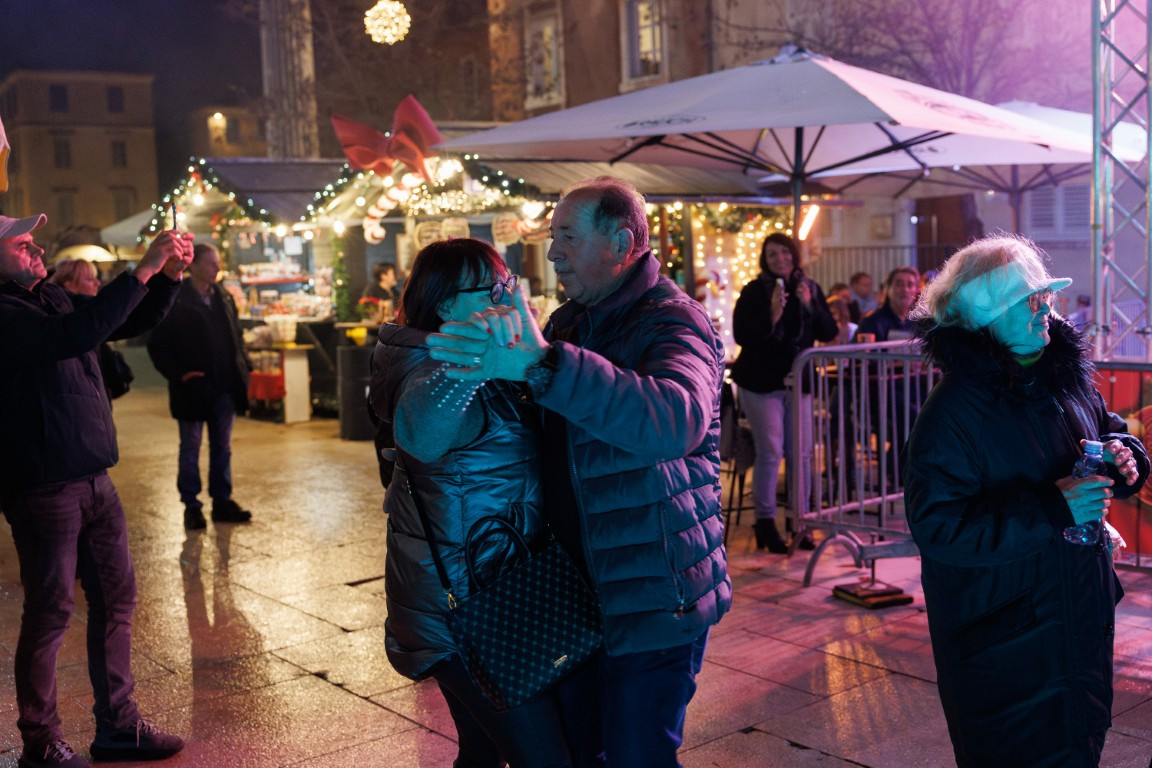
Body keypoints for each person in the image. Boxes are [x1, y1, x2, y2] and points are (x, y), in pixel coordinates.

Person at [426, 176, 731, 766]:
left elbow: (676, 419)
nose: (553, 253)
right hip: (576, 593)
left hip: (652, 595)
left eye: (567, 236)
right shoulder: (569, 322)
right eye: (553, 237)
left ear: (621, 242)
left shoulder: (674, 321)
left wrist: (544, 366)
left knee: (638, 755)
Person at [902, 235, 1148, 768]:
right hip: (1007, 642)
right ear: (987, 320)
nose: (1046, 308)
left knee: (1079, 744)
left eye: (1046, 295)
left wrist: (1124, 457)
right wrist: (1054, 509)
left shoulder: (1063, 378)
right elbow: (939, 527)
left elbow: (1107, 430)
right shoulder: (953, 413)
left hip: (1076, 617)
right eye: (1028, 300)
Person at [368, 238, 577, 767]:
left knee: (483, 750)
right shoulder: (432, 368)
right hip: (465, 606)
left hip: (482, 587)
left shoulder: (468, 357)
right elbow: (422, 435)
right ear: (444, 305)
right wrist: (473, 361)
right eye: (490, 289)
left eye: (507, 284)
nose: (505, 298)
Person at [0, 214, 191, 768]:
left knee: (116, 599)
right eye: (22, 243)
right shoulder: (6, 312)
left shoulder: (50, 297)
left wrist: (168, 278)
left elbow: (121, 320)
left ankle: (119, 727)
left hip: (94, 477)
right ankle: (40, 740)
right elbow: (75, 336)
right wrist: (143, 268)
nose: (37, 248)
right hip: (42, 485)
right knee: (51, 612)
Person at [729, 233, 838, 553]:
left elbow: (828, 331)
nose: (780, 259)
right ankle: (765, 522)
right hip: (760, 381)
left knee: (801, 453)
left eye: (785, 252)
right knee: (771, 452)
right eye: (772, 254)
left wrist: (810, 305)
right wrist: (772, 316)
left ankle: (800, 522)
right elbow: (742, 335)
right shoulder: (754, 291)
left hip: (798, 381)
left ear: (794, 254)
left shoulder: (808, 287)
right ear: (765, 259)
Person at [147, 244, 253, 531]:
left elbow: (235, 336)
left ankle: (222, 500)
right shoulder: (176, 298)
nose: (216, 268)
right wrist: (179, 373)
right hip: (192, 389)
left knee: (222, 447)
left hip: (224, 385)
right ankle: (191, 505)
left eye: (217, 263)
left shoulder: (223, 297)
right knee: (190, 447)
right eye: (210, 263)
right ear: (193, 266)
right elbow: (157, 344)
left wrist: (243, 367)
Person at [48, 259, 134, 402]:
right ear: (69, 284)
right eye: (89, 279)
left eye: (96, 277)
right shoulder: (75, 326)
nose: (97, 283)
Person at [857, 266, 919, 342]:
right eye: (899, 284)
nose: (905, 289)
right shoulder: (870, 322)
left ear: (917, 290)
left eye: (910, 285)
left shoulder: (922, 324)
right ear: (887, 289)